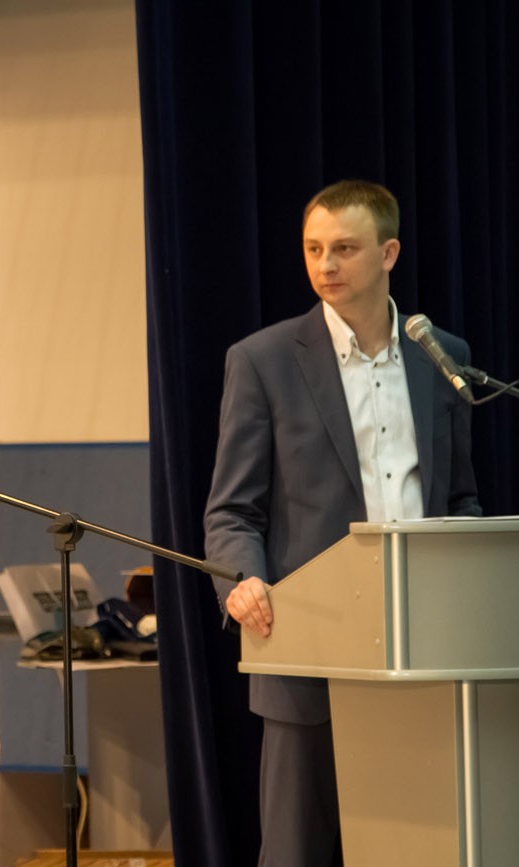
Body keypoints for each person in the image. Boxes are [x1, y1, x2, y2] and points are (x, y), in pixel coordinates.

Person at [203, 180, 481, 866]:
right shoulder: (264, 360)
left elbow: (460, 498)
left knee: (419, 850)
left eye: (345, 249)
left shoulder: (441, 354)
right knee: (296, 850)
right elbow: (232, 510)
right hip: (310, 646)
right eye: (313, 249)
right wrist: (241, 582)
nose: (325, 264)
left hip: (423, 649)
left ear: (388, 253)